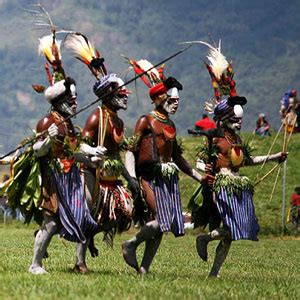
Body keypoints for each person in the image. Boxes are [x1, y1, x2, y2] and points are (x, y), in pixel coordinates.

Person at [188, 40, 287, 278]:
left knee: (233, 233)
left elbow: (247, 162)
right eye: (235, 119)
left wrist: (274, 157)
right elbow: (202, 162)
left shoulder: (237, 141)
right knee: (231, 227)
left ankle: (214, 272)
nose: (239, 123)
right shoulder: (216, 138)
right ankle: (204, 239)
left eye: (240, 119)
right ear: (224, 118)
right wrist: (206, 174)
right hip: (221, 185)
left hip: (237, 184)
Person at [121, 58, 211, 275]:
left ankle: (144, 268)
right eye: (172, 99)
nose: (176, 103)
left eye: (178, 100)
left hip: (168, 179)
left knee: (162, 227)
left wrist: (199, 176)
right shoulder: (146, 121)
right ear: (160, 98)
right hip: (149, 177)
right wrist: (132, 178)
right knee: (162, 221)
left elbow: (178, 158)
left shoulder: (171, 125)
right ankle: (131, 244)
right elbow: (131, 151)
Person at [28, 33, 106, 275]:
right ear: (59, 100)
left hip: (71, 178)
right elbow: (36, 152)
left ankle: (80, 263)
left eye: (75, 99)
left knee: (80, 217)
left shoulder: (69, 125)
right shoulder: (47, 122)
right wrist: (48, 139)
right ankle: (35, 264)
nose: (74, 103)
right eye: (70, 100)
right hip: (53, 178)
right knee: (50, 223)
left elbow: (73, 150)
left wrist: (91, 152)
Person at [65, 33, 137, 273]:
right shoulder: (97, 116)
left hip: (111, 175)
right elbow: (80, 146)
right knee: (87, 213)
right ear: (108, 95)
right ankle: (79, 262)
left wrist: (130, 179)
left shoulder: (117, 120)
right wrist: (93, 150)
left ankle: (90, 237)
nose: (125, 97)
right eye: (120, 94)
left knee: (122, 214)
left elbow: (118, 152)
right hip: (90, 172)